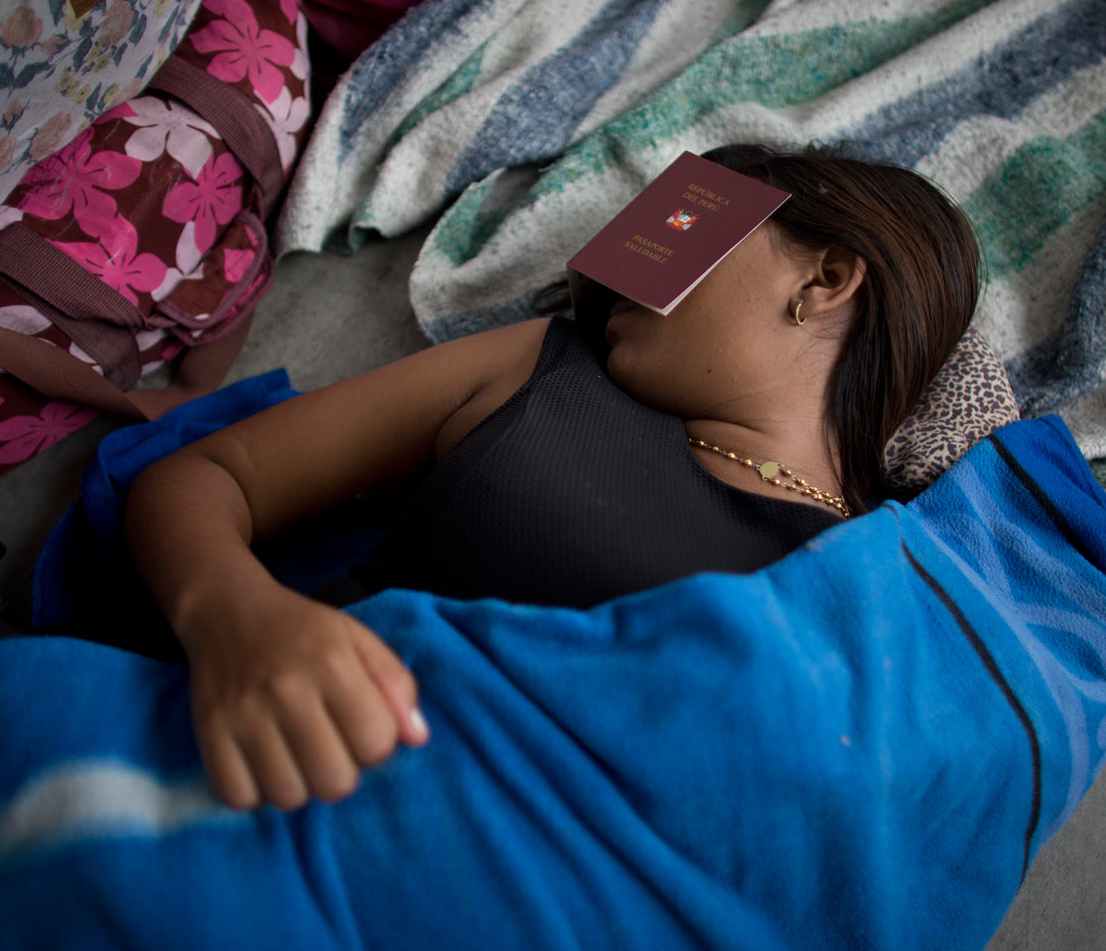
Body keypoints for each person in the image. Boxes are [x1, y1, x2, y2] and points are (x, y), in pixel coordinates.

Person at [123, 144, 982, 813]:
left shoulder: (892, 582)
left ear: (824, 279)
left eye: (693, 239)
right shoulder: (546, 370)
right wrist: (235, 614)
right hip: (237, 766)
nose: (619, 282)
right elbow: (209, 473)